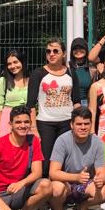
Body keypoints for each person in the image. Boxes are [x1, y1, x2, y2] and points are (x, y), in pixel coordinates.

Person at [48, 106, 105, 210]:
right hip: (66, 183)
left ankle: (82, 208)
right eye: (79, 124)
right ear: (72, 125)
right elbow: (53, 172)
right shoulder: (62, 140)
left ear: (91, 124)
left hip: (85, 184)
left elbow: (101, 172)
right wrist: (76, 177)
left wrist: (100, 179)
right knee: (56, 187)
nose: (83, 127)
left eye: (86, 124)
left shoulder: (97, 142)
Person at [27, 38, 73, 175]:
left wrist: (76, 123)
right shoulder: (38, 73)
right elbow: (30, 104)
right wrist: (34, 128)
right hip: (45, 123)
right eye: (48, 51)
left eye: (55, 51)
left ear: (64, 54)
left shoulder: (71, 73)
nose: (51, 54)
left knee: (65, 160)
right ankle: (46, 191)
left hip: (67, 123)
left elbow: (76, 100)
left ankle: (65, 193)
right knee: (45, 162)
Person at [0, 50, 29, 137]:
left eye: (15, 62)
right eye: (9, 64)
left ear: (22, 62)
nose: (12, 66)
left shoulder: (31, 81)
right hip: (7, 120)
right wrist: (0, 130)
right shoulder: (3, 81)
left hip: (26, 121)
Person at [68, 38, 94, 107]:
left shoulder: (92, 70)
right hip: (69, 106)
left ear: (86, 50)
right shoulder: (66, 68)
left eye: (81, 48)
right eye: (75, 48)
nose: (78, 50)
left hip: (85, 107)